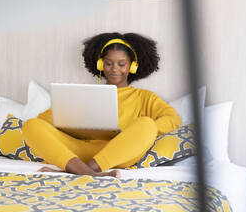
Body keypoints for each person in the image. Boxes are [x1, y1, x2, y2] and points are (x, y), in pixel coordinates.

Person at [22, 32, 181, 178]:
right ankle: (92, 173)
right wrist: (69, 122)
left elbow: (173, 120)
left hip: (118, 154)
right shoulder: (85, 93)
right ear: (100, 65)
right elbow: (44, 120)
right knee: (31, 125)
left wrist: (129, 132)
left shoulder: (144, 97)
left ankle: (76, 170)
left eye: (121, 64)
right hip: (78, 151)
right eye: (109, 63)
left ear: (132, 66)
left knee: (147, 124)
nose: (114, 69)